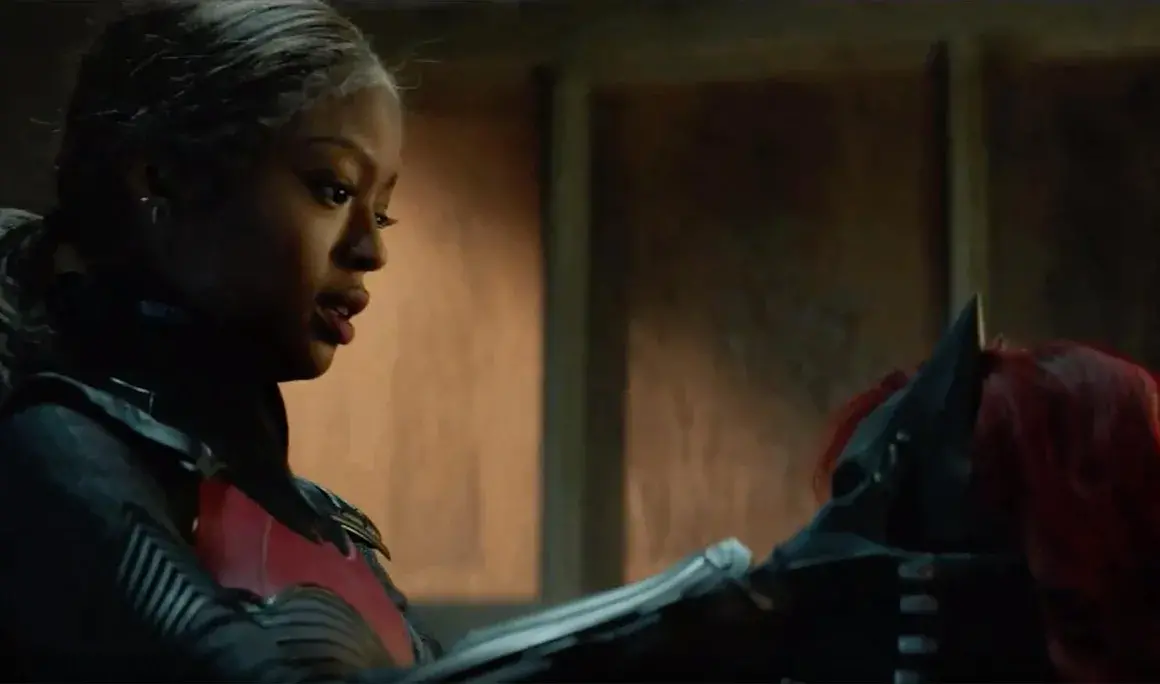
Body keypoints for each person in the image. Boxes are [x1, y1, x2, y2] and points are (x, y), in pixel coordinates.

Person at [0, 0, 449, 679]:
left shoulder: (322, 522)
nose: (371, 250)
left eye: (380, 213)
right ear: (163, 180)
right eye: (333, 190)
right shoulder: (57, 449)